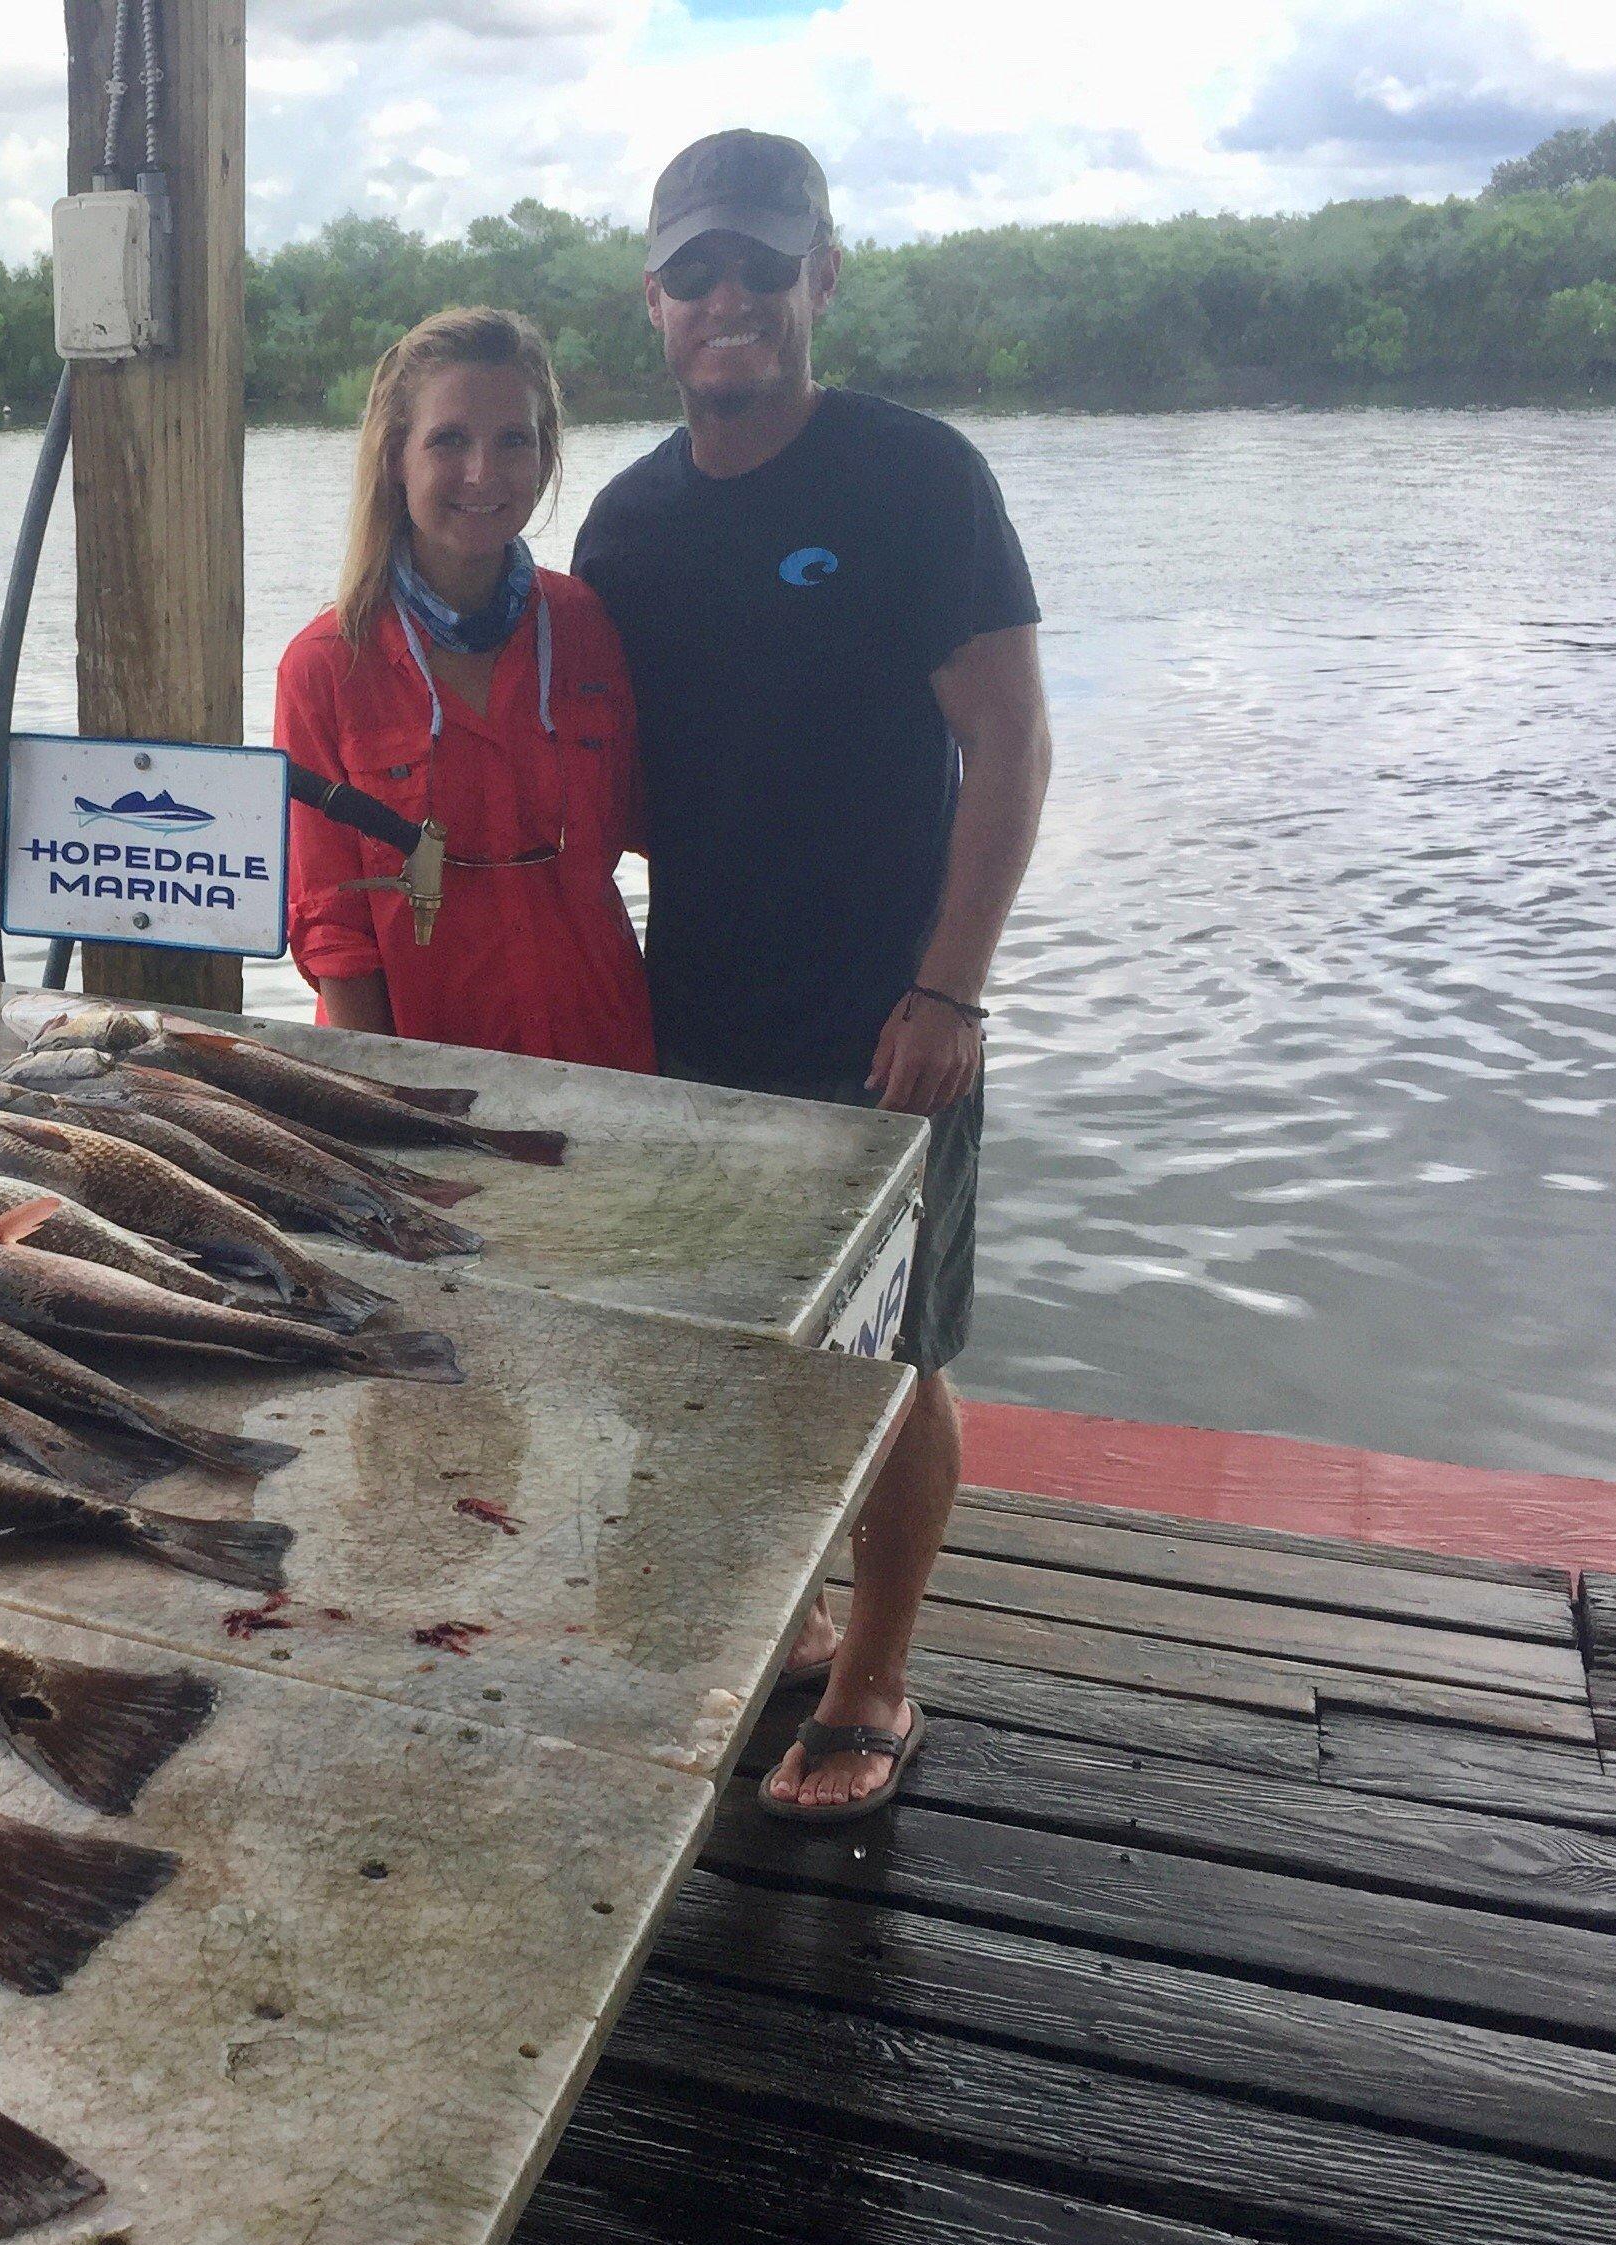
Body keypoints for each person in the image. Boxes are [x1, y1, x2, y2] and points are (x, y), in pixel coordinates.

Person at [573, 130, 1052, 1820]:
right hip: (693, 1009)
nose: (729, 301)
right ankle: (786, 1620)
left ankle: (874, 1672)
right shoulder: (622, 523)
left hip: (888, 1013)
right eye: (694, 270)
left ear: (818, 279)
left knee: (894, 1352)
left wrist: (947, 989)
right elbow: (598, 787)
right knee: (730, 1344)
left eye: (761, 267)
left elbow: (1004, 745)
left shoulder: (911, 478)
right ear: (651, 300)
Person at [277, 307, 655, 1074]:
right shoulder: (324, 667)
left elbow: (650, 826)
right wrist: (388, 1107)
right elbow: (331, 928)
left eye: (513, 439)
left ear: (546, 457)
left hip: (605, 1057)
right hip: (420, 1071)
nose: (482, 473)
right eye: (449, 440)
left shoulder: (585, 624)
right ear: (395, 458)